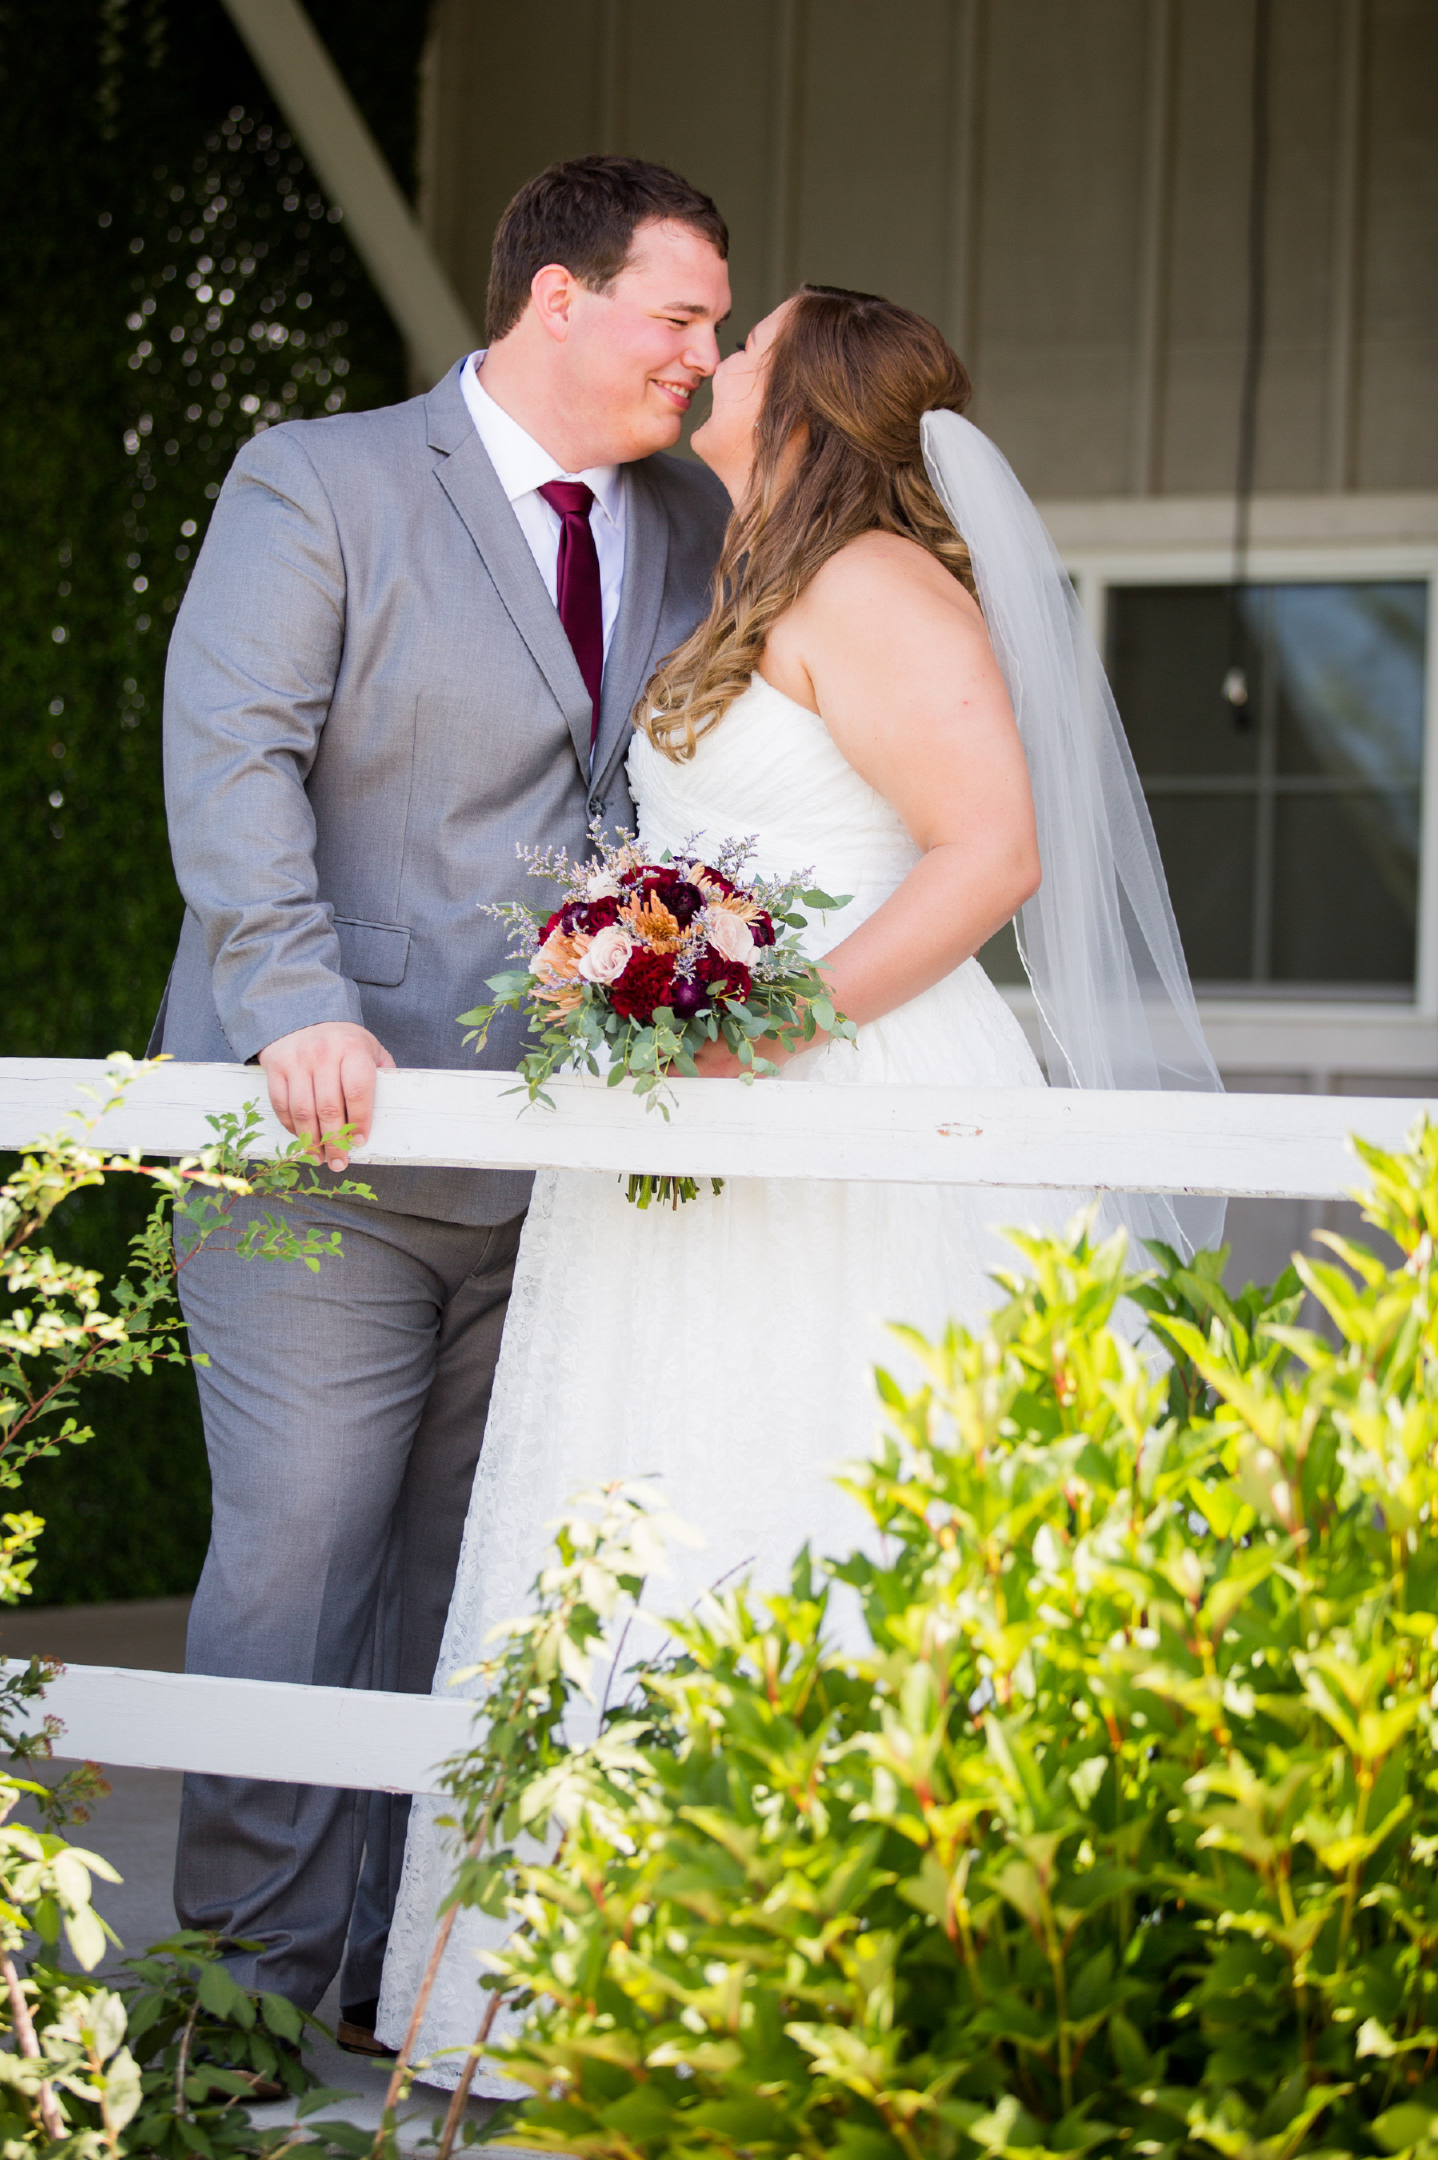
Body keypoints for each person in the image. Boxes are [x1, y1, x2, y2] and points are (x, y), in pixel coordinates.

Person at [375, 284, 1223, 2089]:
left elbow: (993, 850)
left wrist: (772, 1027)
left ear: (814, 399)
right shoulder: (759, 581)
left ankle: (833, 1993)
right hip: (699, 1118)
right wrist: (634, 963)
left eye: (745, 345)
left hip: (858, 1097)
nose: (715, 362)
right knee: (652, 1468)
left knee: (820, 1467)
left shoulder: (880, 587)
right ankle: (600, 1983)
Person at [152, 155, 734, 2066]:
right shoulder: (316, 478)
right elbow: (232, 746)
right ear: (555, 299)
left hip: (562, 1157)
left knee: (457, 1585)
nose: (703, 357)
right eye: (680, 316)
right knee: (299, 1557)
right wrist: (292, 1003)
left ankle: (400, 1986)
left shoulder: (695, 512)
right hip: (328, 1140)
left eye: (717, 327)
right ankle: (229, 2010)